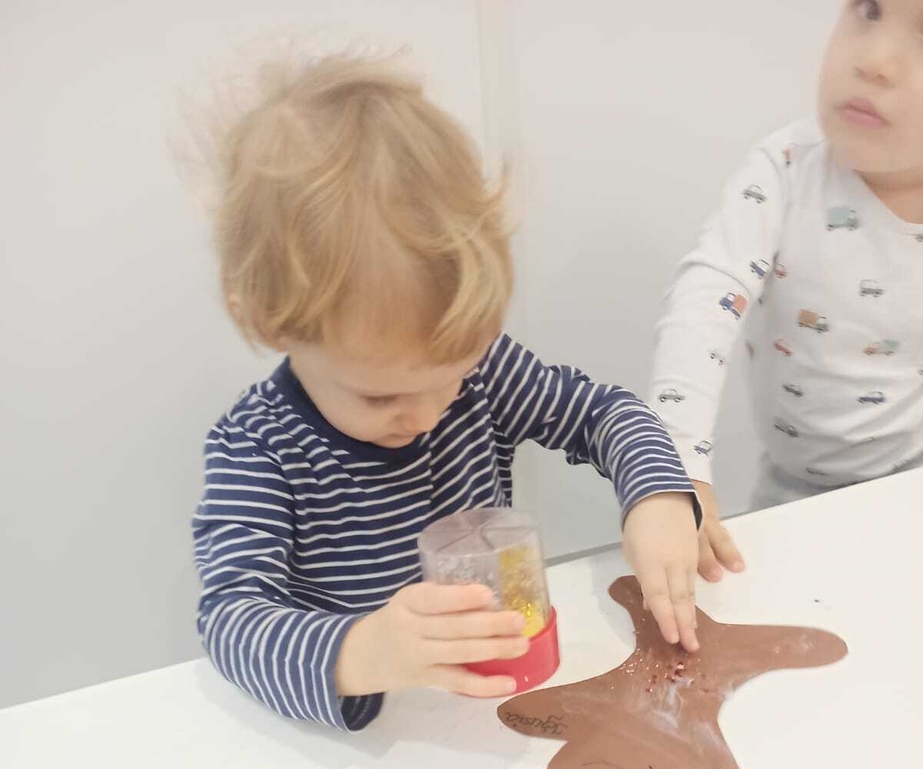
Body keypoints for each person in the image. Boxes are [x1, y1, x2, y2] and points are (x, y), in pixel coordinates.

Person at [192, 54, 699, 731]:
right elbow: (231, 619)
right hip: (370, 735)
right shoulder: (257, 450)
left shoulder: (483, 370)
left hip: (494, 711)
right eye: (380, 398)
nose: (430, 414)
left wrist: (658, 498)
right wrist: (363, 652)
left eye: (450, 377)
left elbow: (604, 415)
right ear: (269, 321)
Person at [650, 0, 923, 582]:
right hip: (791, 499)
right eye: (869, 9)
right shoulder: (787, 168)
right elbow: (709, 295)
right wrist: (674, 468)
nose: (875, 60)